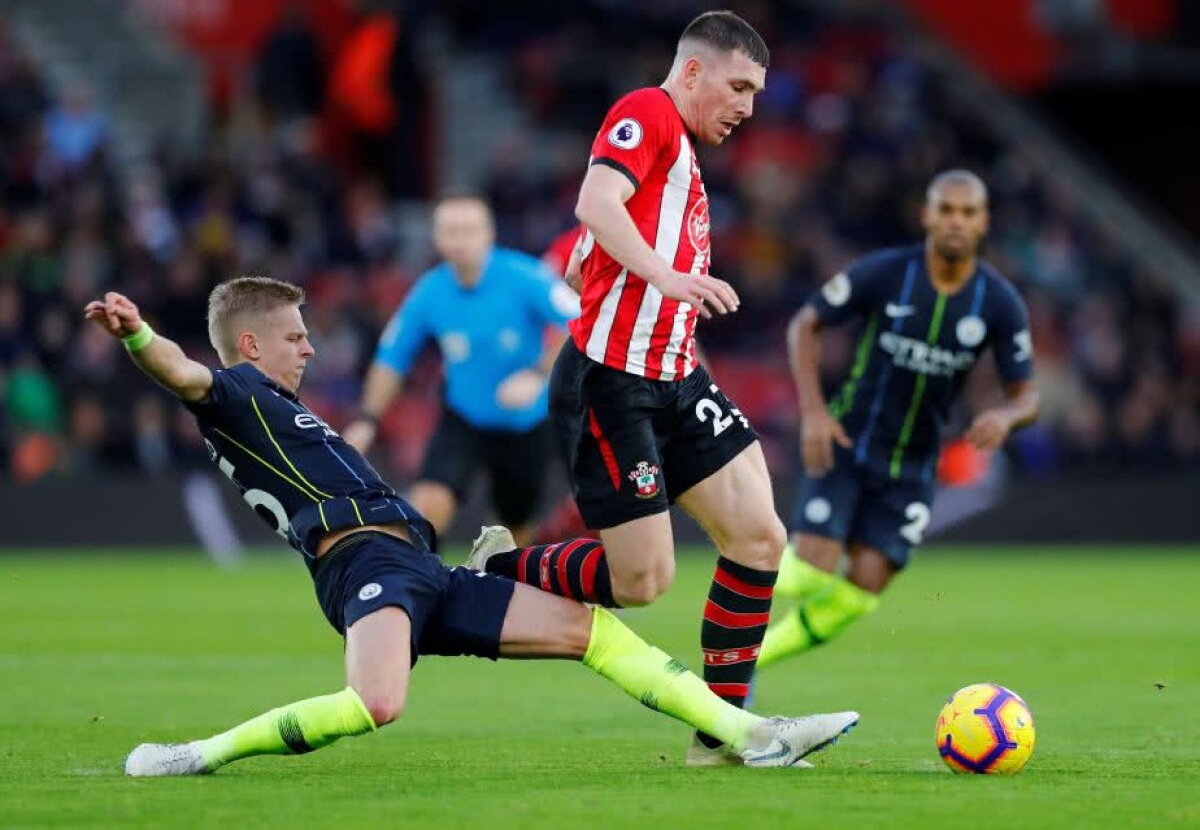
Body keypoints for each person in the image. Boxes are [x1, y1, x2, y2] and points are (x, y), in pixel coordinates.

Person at [84, 279, 857, 776]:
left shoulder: (276, 408)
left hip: (421, 566)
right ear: (251, 344)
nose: (309, 347)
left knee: (591, 630)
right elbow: (183, 373)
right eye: (295, 336)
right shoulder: (235, 394)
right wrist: (137, 335)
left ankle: (752, 734)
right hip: (363, 566)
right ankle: (197, 754)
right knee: (375, 703)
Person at [466, 11, 786, 767]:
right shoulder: (647, 110)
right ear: (694, 72)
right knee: (642, 581)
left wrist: (604, 260)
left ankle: (721, 735)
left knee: (760, 537)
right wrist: (663, 274)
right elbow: (595, 202)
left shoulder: (682, 153)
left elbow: (601, 231)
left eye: (755, 93)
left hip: (675, 374)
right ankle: (497, 567)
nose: (747, 107)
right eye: (739, 87)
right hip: (613, 382)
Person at [756, 170, 1040, 670]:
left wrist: (1006, 415)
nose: (956, 221)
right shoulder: (888, 273)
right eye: (946, 210)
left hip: (914, 466)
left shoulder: (999, 302)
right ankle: (738, 585)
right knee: (810, 574)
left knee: (864, 585)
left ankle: (752, 659)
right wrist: (814, 413)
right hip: (848, 443)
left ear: (983, 222)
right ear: (927, 215)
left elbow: (1027, 396)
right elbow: (806, 322)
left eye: (968, 212)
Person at [343, 194, 579, 547]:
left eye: (469, 230)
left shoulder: (526, 275)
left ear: (489, 234)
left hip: (527, 425)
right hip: (463, 419)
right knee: (427, 506)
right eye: (450, 231)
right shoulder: (430, 291)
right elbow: (392, 358)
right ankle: (416, 579)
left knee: (512, 534)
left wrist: (537, 374)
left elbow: (577, 321)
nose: (460, 241)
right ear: (437, 239)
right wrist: (367, 419)